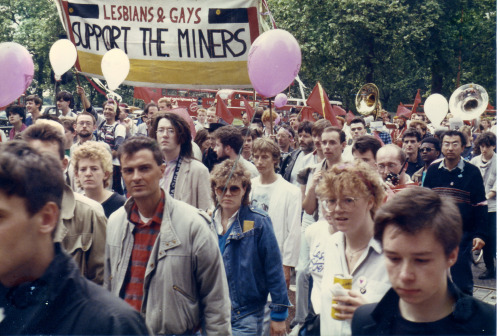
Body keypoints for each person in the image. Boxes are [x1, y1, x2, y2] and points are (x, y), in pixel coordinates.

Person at [0, 141, 150, 335]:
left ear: (46, 218)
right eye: (83, 169)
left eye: (1, 216)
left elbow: (104, 272)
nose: (88, 173)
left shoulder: (112, 324)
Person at [104, 136, 231, 335]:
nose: (136, 176)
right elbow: (109, 286)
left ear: (162, 171)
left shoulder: (193, 225)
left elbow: (216, 301)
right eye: (129, 170)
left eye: (144, 168)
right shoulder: (115, 222)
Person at [352, 187, 496, 335]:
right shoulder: (363, 320)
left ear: (452, 256)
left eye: (421, 260)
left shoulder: (490, 323)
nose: (405, 275)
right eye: (394, 258)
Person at [210, 159, 290, 336]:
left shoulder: (258, 221)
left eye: (234, 188)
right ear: (214, 190)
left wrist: (279, 315)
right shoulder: (205, 222)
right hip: (211, 313)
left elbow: (274, 269)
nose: (227, 194)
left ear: (245, 189)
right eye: (221, 188)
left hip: (245, 312)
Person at [22, 123, 107, 285]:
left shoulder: (89, 213)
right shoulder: (11, 214)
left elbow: (102, 282)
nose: (39, 167)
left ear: (64, 165)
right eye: (31, 159)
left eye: (48, 160)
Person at [317, 161, 390, 336]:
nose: (337, 209)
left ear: (370, 202)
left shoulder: (393, 253)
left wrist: (372, 313)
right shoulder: (331, 245)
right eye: (331, 201)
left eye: (348, 200)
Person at [423, 130, 487, 295]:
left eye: (455, 144)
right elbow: (425, 201)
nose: (450, 148)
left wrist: (480, 234)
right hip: (436, 231)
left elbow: (480, 204)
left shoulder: (472, 172)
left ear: (463, 146)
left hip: (462, 232)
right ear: (441, 146)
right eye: (446, 143)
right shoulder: (433, 170)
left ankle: (465, 308)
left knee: (461, 273)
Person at [249, 137, 302, 335]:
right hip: (250, 255)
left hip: (276, 256)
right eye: (256, 157)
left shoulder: (291, 191)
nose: (260, 161)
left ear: (275, 160)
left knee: (273, 315)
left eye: (265, 157)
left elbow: (293, 231)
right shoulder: (249, 186)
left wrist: (287, 264)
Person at [150, 112, 212, 210]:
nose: (165, 135)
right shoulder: (150, 168)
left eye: (171, 131)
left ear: (181, 135)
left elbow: (206, 210)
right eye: (161, 130)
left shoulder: (198, 170)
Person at [72, 141, 126, 218]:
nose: (88, 174)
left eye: (94, 169)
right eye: (83, 169)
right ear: (77, 174)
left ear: (105, 174)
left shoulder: (121, 205)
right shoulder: (75, 205)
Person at [470, 132, 496, 280]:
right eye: (481, 146)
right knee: (482, 237)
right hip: (477, 206)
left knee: (492, 238)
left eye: (487, 146)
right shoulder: (474, 161)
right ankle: (489, 268)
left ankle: (492, 266)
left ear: (493, 146)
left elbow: (495, 188)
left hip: (493, 207)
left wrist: (483, 199)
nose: (483, 149)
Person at [97, 99, 126, 195]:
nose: (106, 111)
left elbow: (118, 148)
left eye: (110, 109)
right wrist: (82, 95)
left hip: (114, 165)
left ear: (115, 112)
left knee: (115, 191)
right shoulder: (101, 123)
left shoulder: (119, 127)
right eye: (105, 109)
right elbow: (89, 110)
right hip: (101, 163)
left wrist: (105, 160)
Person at [281, 120, 315, 186]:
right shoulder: (291, 157)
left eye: (306, 136)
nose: (301, 139)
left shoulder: (319, 158)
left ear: (314, 137)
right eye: (300, 136)